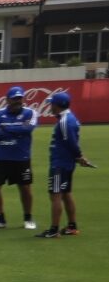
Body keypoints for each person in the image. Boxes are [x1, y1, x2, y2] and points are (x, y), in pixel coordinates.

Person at [0, 85, 38, 231]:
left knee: (25, 188)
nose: (17, 101)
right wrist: (18, 131)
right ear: (7, 99)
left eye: (20, 98)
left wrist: (6, 128)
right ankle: (0, 220)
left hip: (21, 158)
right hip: (0, 158)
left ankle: (28, 218)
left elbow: (28, 129)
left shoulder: (30, 113)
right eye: (14, 99)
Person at [40, 90, 93, 238]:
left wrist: (79, 156)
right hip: (66, 163)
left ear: (57, 105)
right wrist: (77, 157)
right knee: (66, 194)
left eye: (52, 104)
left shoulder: (64, 121)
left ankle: (54, 230)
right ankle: (71, 226)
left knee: (55, 195)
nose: (50, 106)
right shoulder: (70, 118)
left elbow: (71, 142)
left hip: (59, 164)